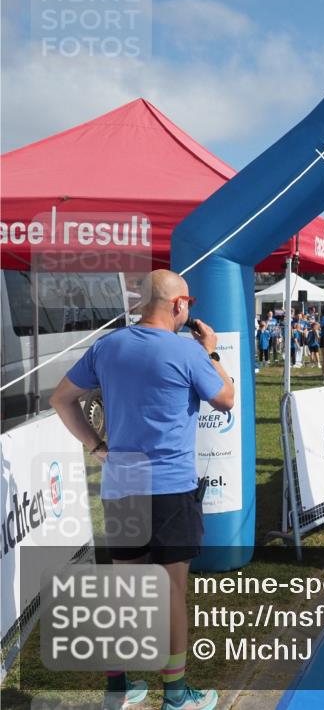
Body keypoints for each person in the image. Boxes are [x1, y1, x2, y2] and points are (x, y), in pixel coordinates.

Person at [50, 270, 234, 710]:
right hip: (170, 485)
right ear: (179, 305)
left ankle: (118, 687)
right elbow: (226, 398)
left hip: (123, 482)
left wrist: (97, 446)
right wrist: (211, 351)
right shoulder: (187, 351)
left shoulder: (107, 346)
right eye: (188, 302)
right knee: (170, 592)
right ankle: (176, 695)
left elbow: (61, 399)